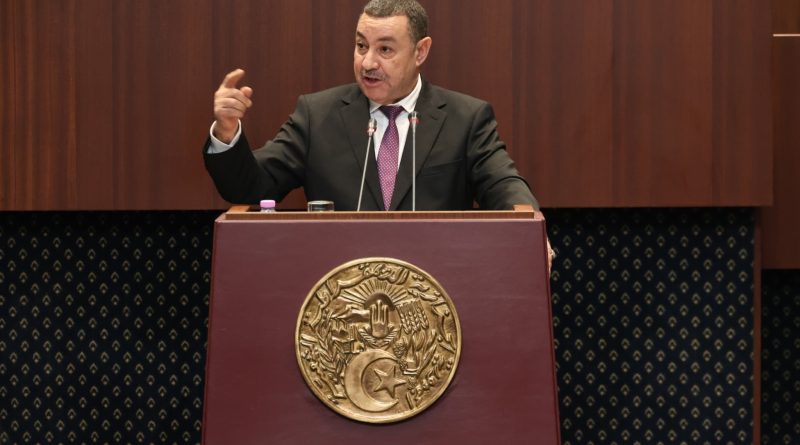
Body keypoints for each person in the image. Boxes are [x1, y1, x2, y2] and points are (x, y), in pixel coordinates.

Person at [203, 0, 539, 212]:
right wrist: (227, 133)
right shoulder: (317, 116)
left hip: (433, 291)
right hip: (339, 291)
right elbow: (251, 187)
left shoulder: (465, 119)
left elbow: (504, 186)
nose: (367, 63)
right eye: (361, 46)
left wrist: (530, 231)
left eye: (385, 50)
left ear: (420, 52)